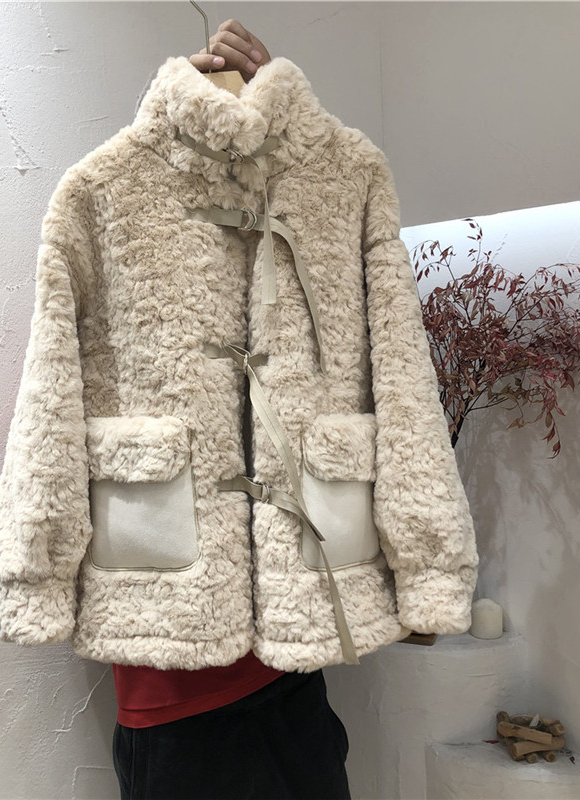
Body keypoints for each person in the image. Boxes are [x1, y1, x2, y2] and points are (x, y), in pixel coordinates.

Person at [110, 20, 352, 800]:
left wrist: (292, 143)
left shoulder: (298, 210)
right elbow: (58, 402)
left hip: (293, 651)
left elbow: (352, 348)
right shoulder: (112, 204)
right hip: (175, 672)